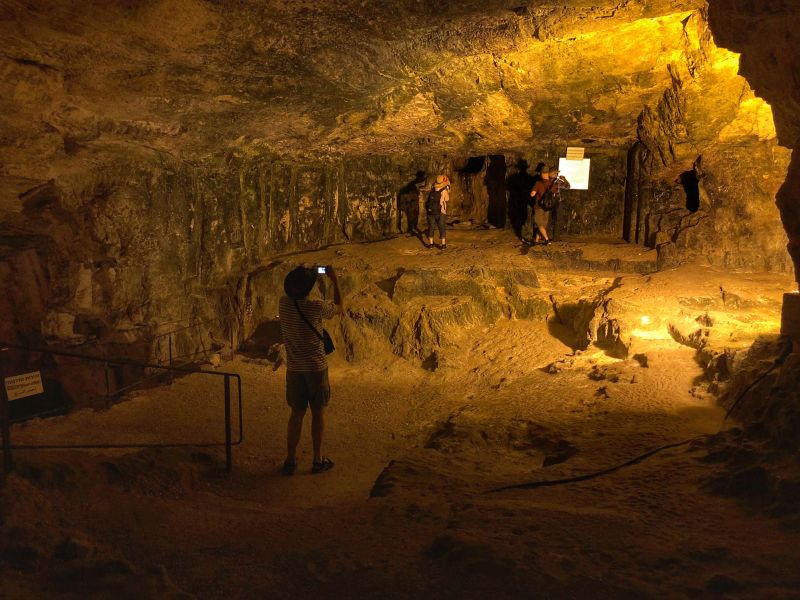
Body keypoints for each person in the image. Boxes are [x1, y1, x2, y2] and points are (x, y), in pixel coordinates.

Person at [279, 265, 343, 475]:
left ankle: (290, 461)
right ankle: (317, 460)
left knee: (296, 413)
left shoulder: (284, 304)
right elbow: (339, 307)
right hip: (316, 368)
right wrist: (334, 279)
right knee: (318, 413)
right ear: (308, 288)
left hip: (294, 368)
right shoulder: (316, 307)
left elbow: (296, 294)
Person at [530, 166, 569, 245]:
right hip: (548, 204)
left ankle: (551, 238)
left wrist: (564, 180)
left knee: (555, 220)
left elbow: (567, 187)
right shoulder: (551, 182)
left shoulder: (557, 181)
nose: (556, 175)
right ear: (549, 174)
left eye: (556, 173)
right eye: (554, 173)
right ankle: (539, 238)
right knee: (545, 222)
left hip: (554, 202)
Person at [506, 158, 537, 239]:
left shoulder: (513, 177)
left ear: (518, 168)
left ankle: (520, 232)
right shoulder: (529, 178)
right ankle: (525, 233)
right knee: (526, 217)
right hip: (526, 199)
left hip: (516, 199)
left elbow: (509, 188)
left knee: (518, 216)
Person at [425, 174, 449, 249]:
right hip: (441, 211)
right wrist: (447, 191)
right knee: (441, 226)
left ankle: (431, 244)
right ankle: (443, 245)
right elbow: (447, 199)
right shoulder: (444, 190)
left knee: (431, 226)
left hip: (431, 211)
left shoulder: (433, 189)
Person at [397, 170, 425, 236]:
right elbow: (408, 197)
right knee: (411, 218)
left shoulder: (412, 186)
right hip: (411, 205)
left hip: (413, 204)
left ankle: (412, 229)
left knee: (414, 217)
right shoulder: (410, 187)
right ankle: (410, 230)